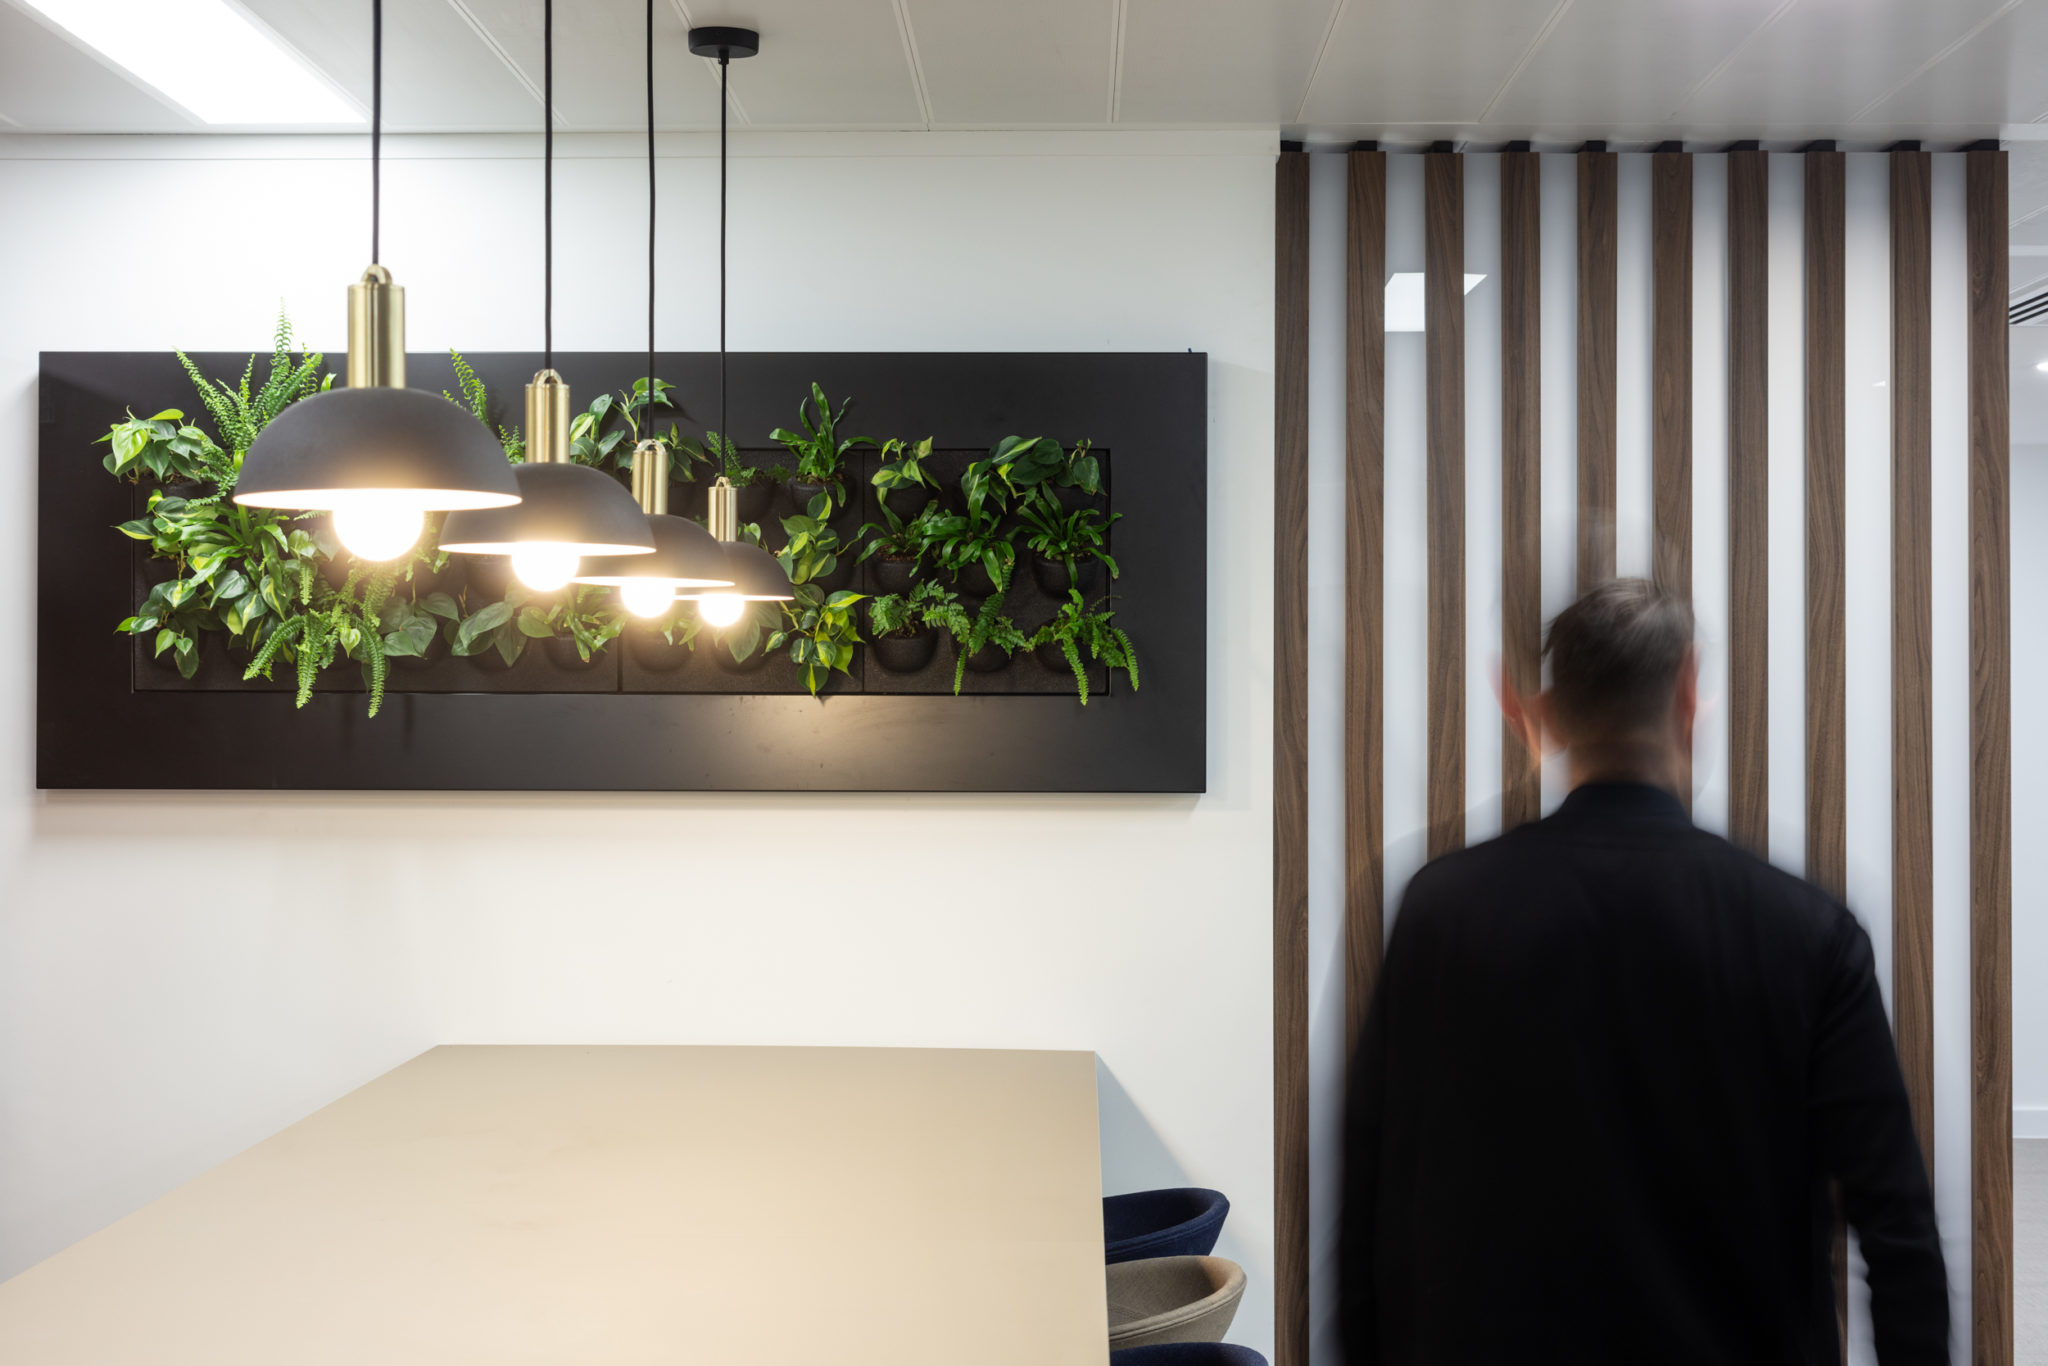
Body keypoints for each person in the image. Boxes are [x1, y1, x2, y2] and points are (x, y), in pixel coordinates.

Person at [1339, 578, 1949, 1365]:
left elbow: (1368, 1197)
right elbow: (1897, 1231)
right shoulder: (1808, 933)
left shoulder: (1441, 913)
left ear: (1545, 714)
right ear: (1689, 692)